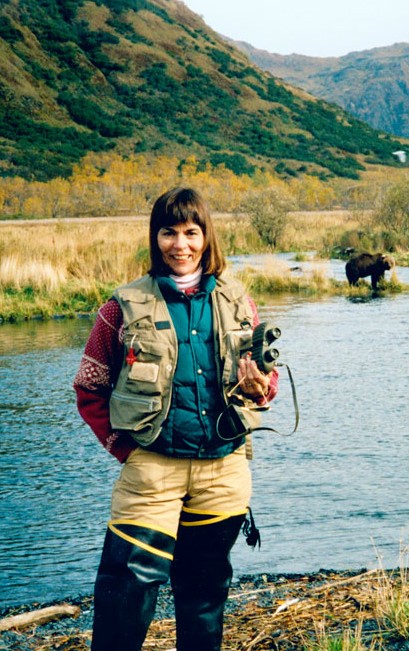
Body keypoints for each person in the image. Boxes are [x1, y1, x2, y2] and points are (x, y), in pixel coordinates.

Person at [74, 187, 278, 651]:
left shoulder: (238, 301)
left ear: (206, 237)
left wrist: (258, 389)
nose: (180, 244)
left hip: (224, 473)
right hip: (151, 471)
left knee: (203, 596)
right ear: (156, 237)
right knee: (125, 593)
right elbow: (89, 388)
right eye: (169, 232)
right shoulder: (120, 307)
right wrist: (125, 450)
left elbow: (268, 385)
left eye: (191, 232)